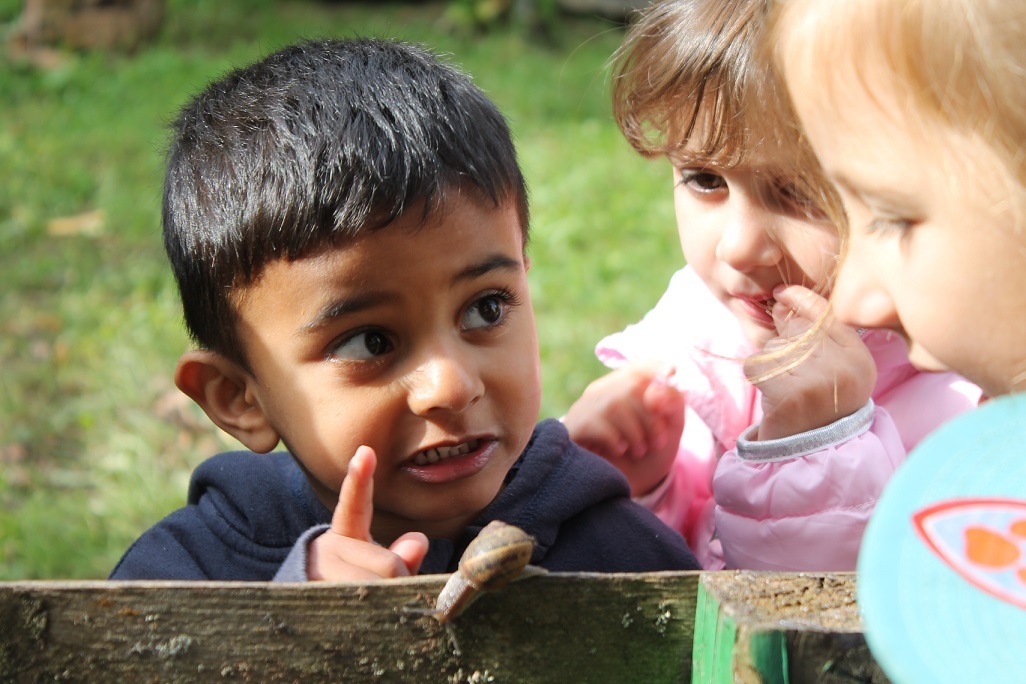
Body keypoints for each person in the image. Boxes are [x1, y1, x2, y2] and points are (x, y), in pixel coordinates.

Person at [109, 38, 699, 581]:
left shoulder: (623, 559)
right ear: (239, 396)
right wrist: (288, 628)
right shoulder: (190, 575)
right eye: (369, 342)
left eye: (487, 309)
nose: (449, 385)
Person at [562, 0, 981, 571]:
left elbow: (833, 635)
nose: (738, 246)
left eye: (801, 192)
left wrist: (818, 450)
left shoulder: (979, 404)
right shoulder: (700, 336)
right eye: (705, 179)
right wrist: (641, 484)